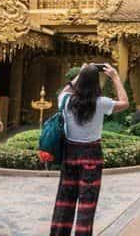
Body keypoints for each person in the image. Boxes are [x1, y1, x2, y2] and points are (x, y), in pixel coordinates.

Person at [50, 64, 129, 236]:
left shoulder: (66, 100)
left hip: (70, 154)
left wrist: (80, 73)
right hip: (92, 156)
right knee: (87, 205)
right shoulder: (100, 103)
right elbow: (125, 103)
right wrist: (115, 77)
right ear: (96, 84)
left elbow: (66, 89)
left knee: (64, 201)